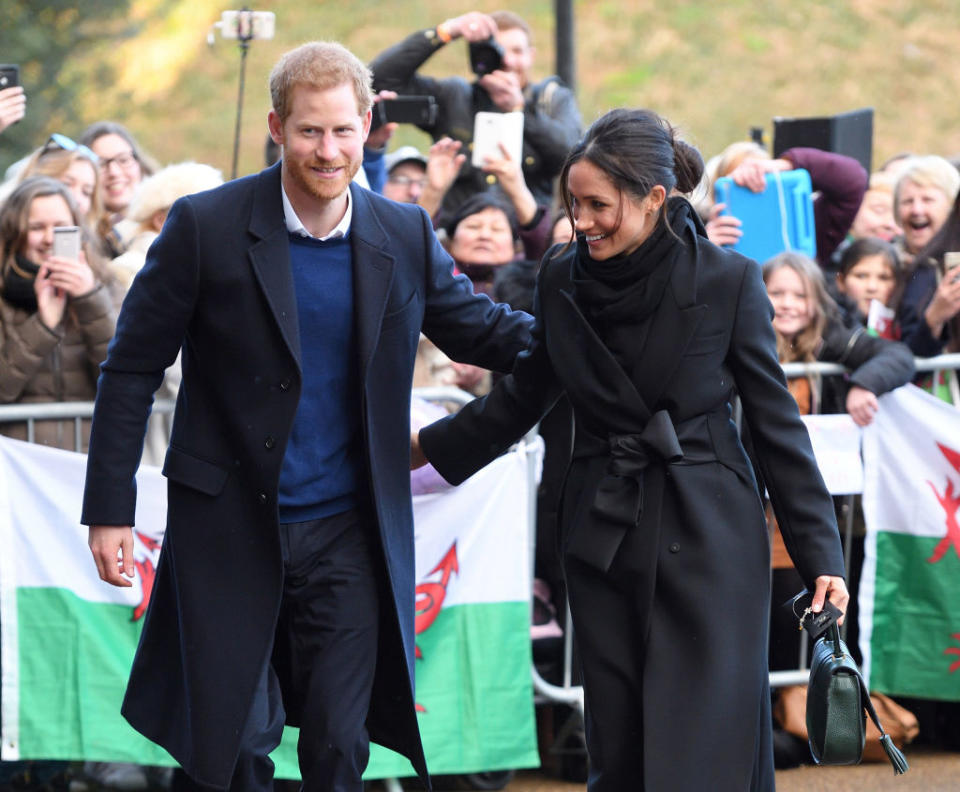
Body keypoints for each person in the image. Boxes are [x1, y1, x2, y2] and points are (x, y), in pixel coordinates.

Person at [80, 41, 532, 792]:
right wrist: (109, 510)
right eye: (310, 132)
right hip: (225, 526)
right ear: (277, 128)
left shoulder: (403, 232)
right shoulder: (204, 227)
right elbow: (130, 370)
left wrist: (588, 337)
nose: (328, 151)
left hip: (349, 531)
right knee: (237, 745)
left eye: (343, 131)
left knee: (337, 741)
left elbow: (484, 330)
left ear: (368, 126)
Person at [413, 108, 848, 791]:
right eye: (573, 205)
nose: (581, 221)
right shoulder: (561, 277)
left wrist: (823, 556)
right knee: (619, 741)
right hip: (605, 530)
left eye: (598, 206)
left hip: (711, 536)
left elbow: (774, 426)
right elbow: (524, 396)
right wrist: (416, 452)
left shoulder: (729, 280)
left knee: (707, 740)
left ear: (654, 199)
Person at [370, 10, 582, 216]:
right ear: (480, 56)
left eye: (517, 51)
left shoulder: (551, 100)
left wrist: (520, 111)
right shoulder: (454, 97)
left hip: (525, 242)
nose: (507, 61)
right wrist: (447, 31)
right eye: (499, 51)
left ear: (531, 56)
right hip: (455, 238)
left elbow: (571, 156)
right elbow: (378, 79)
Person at [0, 177, 116, 450]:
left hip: (89, 461)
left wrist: (90, 300)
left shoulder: (107, 286)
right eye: (36, 228)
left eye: (61, 227)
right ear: (14, 233)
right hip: (20, 466)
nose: (49, 239)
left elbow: (126, 376)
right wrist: (44, 325)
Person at [79, 121, 159, 255]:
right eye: (101, 164)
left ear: (140, 164)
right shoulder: (80, 239)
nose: (114, 172)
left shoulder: (171, 221)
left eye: (123, 160)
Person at [891, 154, 959, 275]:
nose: (916, 210)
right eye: (908, 201)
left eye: (927, 200)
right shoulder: (885, 264)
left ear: (952, 207)